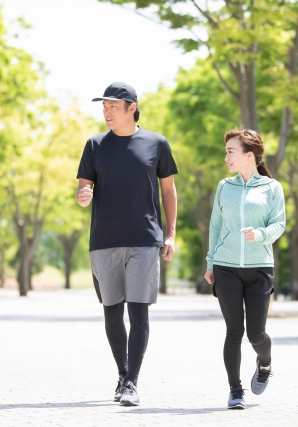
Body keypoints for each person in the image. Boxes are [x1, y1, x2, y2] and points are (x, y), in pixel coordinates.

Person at [75, 82, 178, 407]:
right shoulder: (94, 145)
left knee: (138, 311)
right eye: (104, 106)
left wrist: (170, 233)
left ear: (131, 108)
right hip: (104, 240)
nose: (106, 112)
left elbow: (168, 191)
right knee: (112, 313)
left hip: (145, 239)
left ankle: (132, 382)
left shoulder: (157, 144)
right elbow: (83, 190)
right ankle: (122, 375)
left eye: (113, 106)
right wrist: (82, 196)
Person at [203, 128, 286, 410]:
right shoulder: (224, 186)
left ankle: (265, 364)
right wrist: (210, 262)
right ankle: (235, 391)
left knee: (256, 335)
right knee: (234, 332)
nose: (226, 157)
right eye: (226, 152)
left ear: (249, 155)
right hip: (226, 266)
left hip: (259, 268)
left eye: (231, 152)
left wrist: (259, 234)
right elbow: (215, 226)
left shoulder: (272, 188)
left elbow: (279, 224)